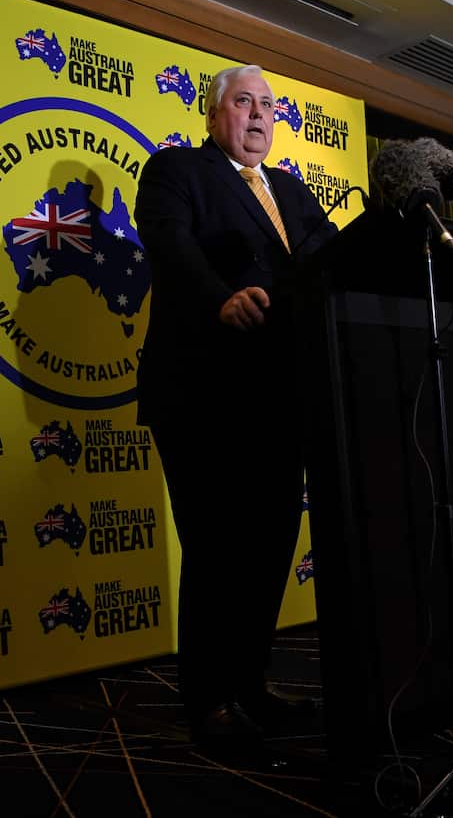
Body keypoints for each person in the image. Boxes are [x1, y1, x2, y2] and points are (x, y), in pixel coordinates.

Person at [133, 65, 336, 755]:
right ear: (214, 114)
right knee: (219, 548)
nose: (257, 116)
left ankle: (250, 687)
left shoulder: (291, 191)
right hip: (200, 391)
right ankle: (209, 701)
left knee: (270, 548)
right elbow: (170, 245)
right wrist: (218, 295)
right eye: (243, 103)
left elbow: (335, 263)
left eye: (268, 105)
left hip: (279, 397)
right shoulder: (178, 171)